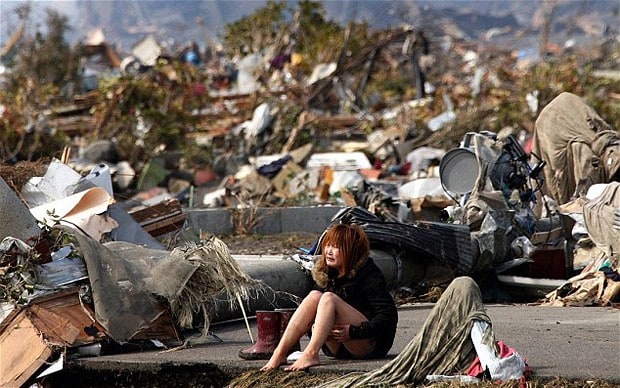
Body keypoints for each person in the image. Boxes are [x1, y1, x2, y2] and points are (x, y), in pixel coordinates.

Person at [260, 223, 398, 371]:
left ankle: (311, 354)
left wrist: (353, 331)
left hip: (367, 345)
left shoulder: (369, 274)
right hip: (337, 348)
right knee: (315, 296)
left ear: (351, 250)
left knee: (328, 298)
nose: (328, 251)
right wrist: (315, 329)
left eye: (336, 247)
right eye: (327, 245)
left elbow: (388, 316)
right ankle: (280, 352)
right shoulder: (327, 274)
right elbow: (310, 317)